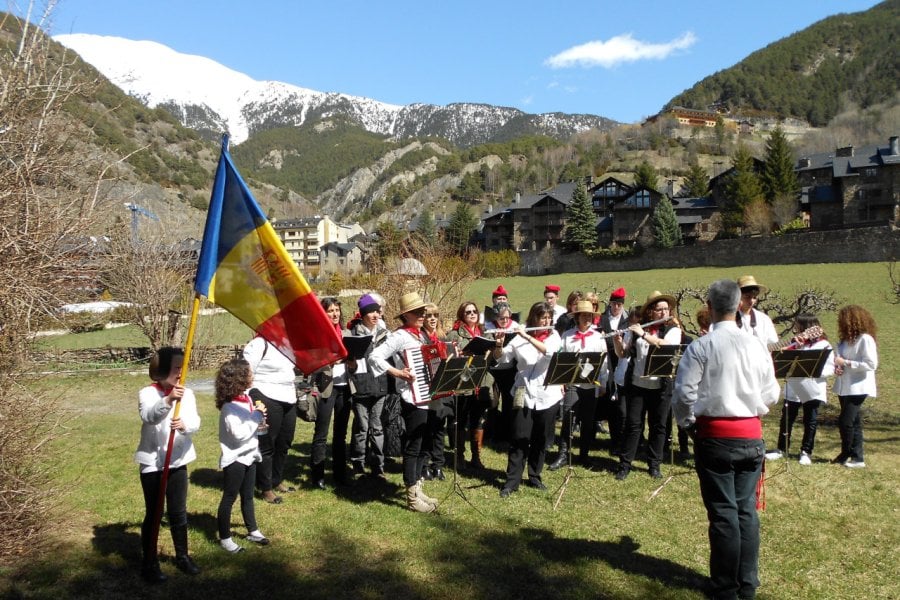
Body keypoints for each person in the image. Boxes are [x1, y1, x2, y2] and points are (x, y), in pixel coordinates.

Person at [672, 279, 780, 600]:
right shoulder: (756, 344)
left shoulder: (702, 346)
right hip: (751, 435)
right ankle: (747, 583)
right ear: (737, 305)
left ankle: (725, 586)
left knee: (723, 513)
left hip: (716, 436)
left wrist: (688, 423)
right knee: (745, 511)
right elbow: (772, 392)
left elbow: (683, 394)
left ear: (710, 305)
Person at [368, 292, 439, 513]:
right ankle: (411, 497)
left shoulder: (420, 335)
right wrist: (398, 372)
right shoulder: (400, 336)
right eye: (417, 312)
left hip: (426, 395)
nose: (422, 314)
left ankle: (417, 488)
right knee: (413, 446)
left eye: (422, 311)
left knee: (423, 444)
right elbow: (374, 357)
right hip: (411, 397)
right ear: (405, 315)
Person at [134, 347, 201, 583]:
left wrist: (184, 425)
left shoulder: (188, 394)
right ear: (161, 370)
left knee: (178, 511)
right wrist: (169, 400)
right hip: (153, 462)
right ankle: (149, 562)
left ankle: (182, 555)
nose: (181, 372)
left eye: (183, 367)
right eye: (176, 368)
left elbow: (195, 422)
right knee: (154, 513)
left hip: (178, 460)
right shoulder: (147, 393)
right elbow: (149, 416)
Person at [493, 301, 563, 497]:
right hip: (522, 392)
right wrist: (498, 345)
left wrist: (526, 336)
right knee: (518, 437)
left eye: (549, 318)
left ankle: (534, 475)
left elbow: (549, 352)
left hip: (548, 394)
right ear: (534, 318)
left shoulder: (554, 336)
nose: (547, 321)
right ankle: (512, 481)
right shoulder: (518, 339)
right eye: (543, 317)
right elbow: (502, 359)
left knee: (540, 438)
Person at [612, 291, 682, 480]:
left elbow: (666, 346)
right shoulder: (637, 328)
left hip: (661, 386)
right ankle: (625, 465)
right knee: (633, 425)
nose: (664, 313)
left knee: (658, 426)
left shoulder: (673, 330)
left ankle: (654, 465)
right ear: (650, 312)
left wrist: (643, 334)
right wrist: (617, 341)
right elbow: (623, 354)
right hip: (637, 385)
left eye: (666, 309)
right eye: (659, 310)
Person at [214, 358, 271, 553]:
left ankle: (253, 530)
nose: (252, 376)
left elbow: (249, 426)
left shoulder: (245, 398)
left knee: (248, 496)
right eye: (249, 373)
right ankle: (225, 538)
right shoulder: (229, 407)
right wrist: (256, 416)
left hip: (250, 455)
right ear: (238, 379)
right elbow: (238, 435)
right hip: (235, 458)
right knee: (230, 497)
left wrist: (259, 424)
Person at [764, 314, 834, 465]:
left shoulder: (824, 345)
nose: (795, 328)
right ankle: (781, 448)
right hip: (793, 387)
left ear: (807, 327)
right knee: (786, 419)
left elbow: (830, 368)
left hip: (812, 388)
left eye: (798, 326)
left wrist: (813, 371)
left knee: (810, 420)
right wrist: (795, 347)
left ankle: (806, 452)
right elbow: (779, 358)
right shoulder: (796, 343)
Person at [549, 300, 605, 470]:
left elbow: (604, 362)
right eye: (584, 315)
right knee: (568, 418)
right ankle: (563, 454)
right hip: (573, 383)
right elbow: (562, 359)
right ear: (577, 317)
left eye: (590, 315)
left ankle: (584, 455)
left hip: (591, 384)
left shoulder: (598, 336)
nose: (587, 318)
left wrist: (602, 382)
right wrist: (561, 381)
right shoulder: (567, 336)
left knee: (588, 421)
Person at [243, 335, 297, 504]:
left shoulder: (289, 343)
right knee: (267, 442)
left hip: (288, 395)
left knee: (285, 441)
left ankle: (276, 479)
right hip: (265, 394)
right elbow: (246, 372)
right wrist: (248, 399)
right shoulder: (259, 343)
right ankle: (265, 487)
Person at [310, 297, 353, 489]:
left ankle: (340, 473)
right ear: (323, 313)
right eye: (331, 311)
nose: (335, 314)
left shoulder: (346, 333)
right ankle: (317, 475)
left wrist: (353, 363)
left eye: (337, 310)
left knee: (341, 434)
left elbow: (353, 363)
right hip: (326, 388)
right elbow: (311, 364)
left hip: (345, 387)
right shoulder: (318, 335)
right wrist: (330, 361)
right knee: (321, 433)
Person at [446, 300, 492, 470]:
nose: (472, 314)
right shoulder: (454, 334)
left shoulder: (485, 332)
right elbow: (450, 360)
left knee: (478, 419)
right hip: (463, 381)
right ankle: (459, 456)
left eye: (474, 311)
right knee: (461, 418)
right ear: (462, 315)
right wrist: (463, 353)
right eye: (468, 312)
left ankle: (476, 456)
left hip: (481, 380)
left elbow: (493, 356)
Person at [348, 293, 390, 479]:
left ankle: (378, 465)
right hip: (361, 387)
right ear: (363, 315)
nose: (375, 316)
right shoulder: (354, 334)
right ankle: (358, 462)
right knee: (362, 427)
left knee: (377, 427)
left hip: (380, 386)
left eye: (377, 312)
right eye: (371, 312)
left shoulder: (384, 334)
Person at [832, 305, 878, 468]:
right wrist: (837, 367)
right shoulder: (844, 341)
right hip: (844, 385)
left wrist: (846, 363)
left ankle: (847, 453)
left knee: (846, 421)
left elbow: (871, 364)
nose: (840, 323)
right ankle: (857, 457)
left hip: (859, 386)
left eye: (843, 319)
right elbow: (839, 360)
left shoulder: (865, 339)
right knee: (855, 421)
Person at [422, 303, 451, 481]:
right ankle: (424, 464)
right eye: (429, 316)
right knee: (427, 428)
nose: (433, 319)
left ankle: (438, 465)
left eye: (435, 315)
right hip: (427, 387)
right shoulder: (421, 338)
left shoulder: (442, 337)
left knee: (440, 427)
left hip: (443, 387)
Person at [599, 287, 629, 457]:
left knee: (623, 406)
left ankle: (624, 441)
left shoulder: (627, 320)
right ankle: (614, 440)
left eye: (619, 304)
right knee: (611, 404)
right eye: (614, 304)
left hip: (623, 362)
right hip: (607, 363)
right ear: (609, 304)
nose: (616, 307)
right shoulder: (603, 319)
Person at [485, 301, 519, 444]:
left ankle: (507, 433)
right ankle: (490, 433)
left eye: (507, 317)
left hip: (510, 371)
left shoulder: (516, 329)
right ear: (495, 318)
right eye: (500, 318)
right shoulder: (488, 329)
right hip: (493, 371)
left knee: (509, 402)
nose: (504, 321)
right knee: (492, 402)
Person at [736, 275, 778, 347]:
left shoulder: (764, 319)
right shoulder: (729, 317)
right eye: (747, 297)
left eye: (754, 297)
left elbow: (773, 344)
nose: (752, 301)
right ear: (737, 296)